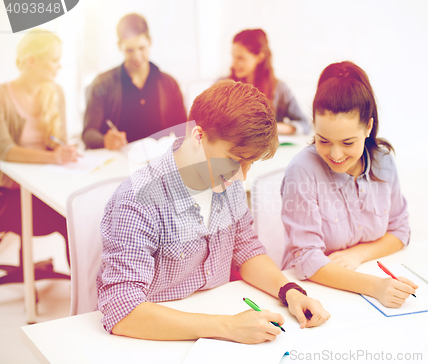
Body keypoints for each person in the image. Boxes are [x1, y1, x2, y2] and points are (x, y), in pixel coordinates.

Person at [97, 80, 330, 343]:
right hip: (151, 341)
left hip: (212, 327)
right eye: (235, 160)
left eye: (249, 163)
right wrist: (227, 327)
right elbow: (122, 309)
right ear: (198, 137)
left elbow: (247, 249)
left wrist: (290, 292)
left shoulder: (224, 181)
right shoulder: (138, 201)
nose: (241, 177)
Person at [281, 61, 418, 308]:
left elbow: (400, 230)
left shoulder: (383, 161)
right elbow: (307, 260)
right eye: (323, 140)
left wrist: (358, 255)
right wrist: (375, 287)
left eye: (347, 143)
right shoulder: (302, 171)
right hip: (313, 294)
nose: (335, 154)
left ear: (368, 127)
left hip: (361, 279)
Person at [0, 29, 77, 267]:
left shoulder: (55, 92)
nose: (59, 66)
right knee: (70, 218)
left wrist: (61, 149)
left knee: (79, 215)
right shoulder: (2, 95)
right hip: (9, 195)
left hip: (45, 186)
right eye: (54, 60)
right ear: (32, 61)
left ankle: (82, 296)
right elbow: (5, 150)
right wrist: (53, 157)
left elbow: (57, 138)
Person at [82, 13, 187, 150]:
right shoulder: (102, 84)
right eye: (129, 50)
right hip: (119, 162)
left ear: (150, 41)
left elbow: (184, 130)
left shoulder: (169, 84)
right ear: (119, 46)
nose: (137, 56)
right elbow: (88, 133)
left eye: (142, 48)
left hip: (160, 160)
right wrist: (104, 141)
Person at [228, 29, 311, 135]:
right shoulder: (223, 85)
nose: (233, 64)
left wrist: (270, 127)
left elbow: (305, 125)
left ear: (260, 57)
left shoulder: (280, 89)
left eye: (240, 58)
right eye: (233, 56)